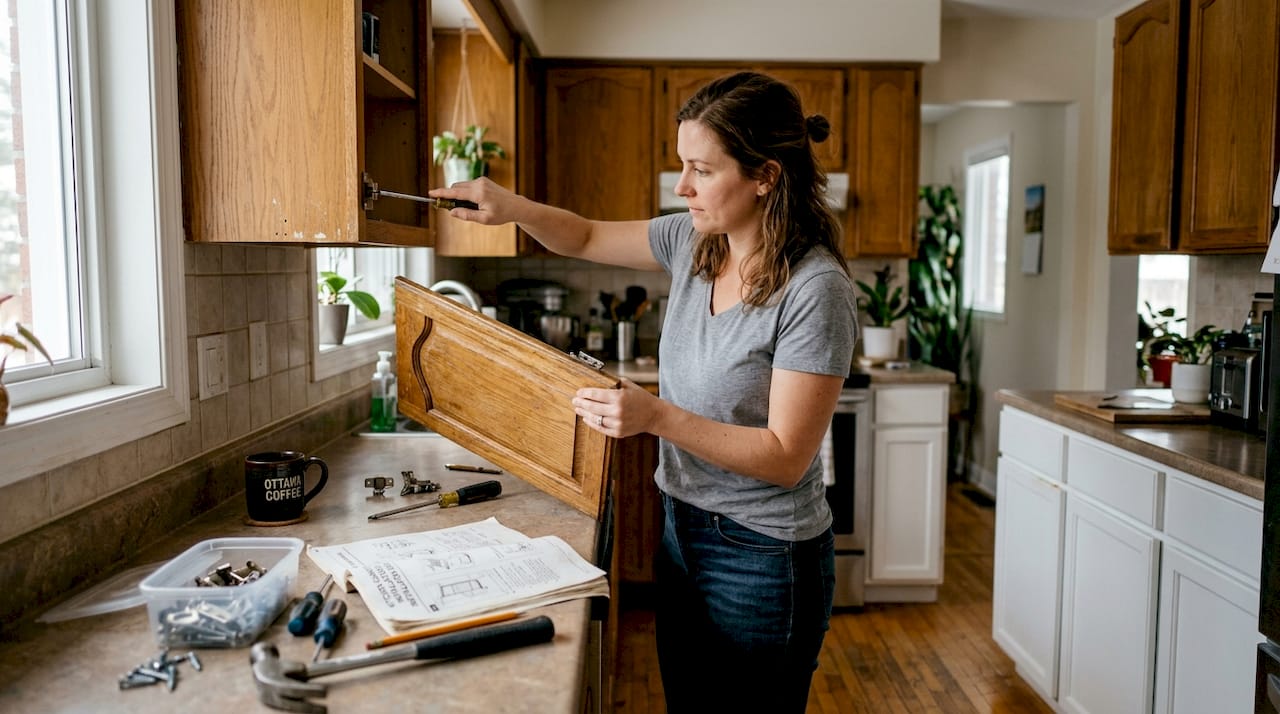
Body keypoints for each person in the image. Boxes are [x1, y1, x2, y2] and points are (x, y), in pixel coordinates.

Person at [430, 70, 858, 713]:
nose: (683, 186)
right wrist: (512, 207)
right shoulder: (695, 242)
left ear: (765, 175)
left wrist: (655, 415)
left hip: (764, 556)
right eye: (681, 165)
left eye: (701, 169)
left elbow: (785, 455)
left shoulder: (814, 289)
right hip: (683, 530)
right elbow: (585, 235)